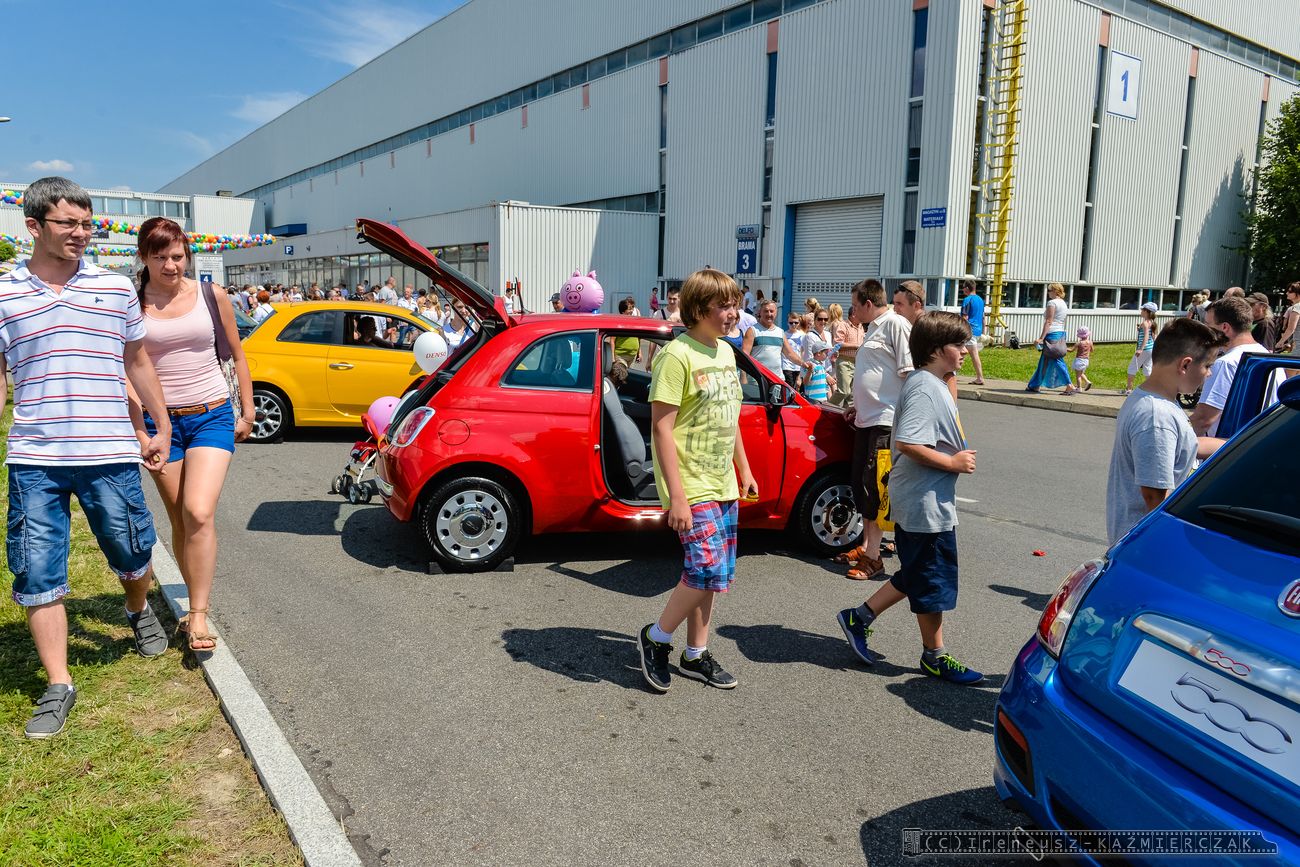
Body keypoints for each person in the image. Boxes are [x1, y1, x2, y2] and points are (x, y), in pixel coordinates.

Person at [1, 177, 172, 739]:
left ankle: (137, 609)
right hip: (35, 457)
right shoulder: (4, 294)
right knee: (35, 567)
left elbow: (137, 361)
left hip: (109, 451)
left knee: (132, 549)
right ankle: (59, 683)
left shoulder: (115, 288)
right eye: (68, 223)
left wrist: (160, 424)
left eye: (86, 223)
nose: (81, 233)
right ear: (34, 226)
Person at [836, 311, 984, 685]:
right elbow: (908, 442)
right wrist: (952, 461)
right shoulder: (923, 388)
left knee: (921, 571)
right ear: (936, 349)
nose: (965, 351)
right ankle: (934, 655)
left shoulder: (933, 383)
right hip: (923, 502)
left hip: (928, 500)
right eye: (959, 344)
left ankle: (859, 618)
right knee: (931, 578)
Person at [131, 217, 254, 654]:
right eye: (160, 257)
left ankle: (198, 614)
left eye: (178, 256)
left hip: (211, 415)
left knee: (199, 512)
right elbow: (127, 372)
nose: (171, 265)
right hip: (159, 426)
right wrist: (141, 433)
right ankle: (193, 596)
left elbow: (237, 354)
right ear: (143, 257)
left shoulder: (209, 294)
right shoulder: (132, 302)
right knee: (180, 518)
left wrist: (248, 409)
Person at [636, 268, 756, 693]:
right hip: (691, 482)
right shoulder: (676, 356)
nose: (733, 313)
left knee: (713, 574)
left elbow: (730, 416)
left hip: (722, 481)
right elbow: (661, 429)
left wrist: (744, 468)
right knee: (705, 566)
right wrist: (678, 497)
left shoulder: (725, 353)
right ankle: (656, 637)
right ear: (700, 309)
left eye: (735, 304)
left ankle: (695, 653)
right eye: (725, 306)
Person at [1106, 318, 1228, 544]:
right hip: (1148, 544)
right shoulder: (1156, 416)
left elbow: (1186, 445)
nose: (1209, 374)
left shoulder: (1157, 400)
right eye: (1208, 365)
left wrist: (1240, 446)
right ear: (1185, 365)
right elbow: (1155, 498)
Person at [839, 279, 911, 581]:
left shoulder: (895, 324)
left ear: (869, 304)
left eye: (855, 306)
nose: (853, 312)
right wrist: (858, 404)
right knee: (862, 484)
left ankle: (874, 558)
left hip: (885, 419)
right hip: (867, 419)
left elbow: (909, 372)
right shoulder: (873, 328)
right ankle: (867, 545)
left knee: (875, 487)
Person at [1189, 296, 1282, 436]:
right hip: (1260, 441)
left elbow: (1203, 420)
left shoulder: (1226, 363)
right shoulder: (1269, 359)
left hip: (1229, 445)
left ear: (1225, 327)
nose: (1206, 331)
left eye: (1208, 325)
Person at [744, 300, 805, 381]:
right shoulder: (752, 331)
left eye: (771, 311)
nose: (769, 314)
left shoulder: (780, 332)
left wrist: (803, 363)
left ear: (776, 313)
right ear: (760, 312)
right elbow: (745, 356)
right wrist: (743, 378)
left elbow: (790, 354)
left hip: (776, 380)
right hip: (757, 380)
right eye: (766, 311)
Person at [1026, 283, 1071, 393]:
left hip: (1052, 334)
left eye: (1050, 290)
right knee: (1044, 361)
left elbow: (1049, 321)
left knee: (1056, 359)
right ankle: (1035, 385)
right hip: (1060, 333)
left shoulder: (1052, 303)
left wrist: (1041, 338)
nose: (1048, 292)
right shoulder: (1063, 303)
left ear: (1055, 291)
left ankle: (1069, 384)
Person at [829, 302, 863, 405]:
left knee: (852, 395)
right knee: (843, 391)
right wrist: (856, 346)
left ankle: (845, 414)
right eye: (860, 313)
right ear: (853, 314)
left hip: (857, 362)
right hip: (845, 361)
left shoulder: (861, 327)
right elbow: (837, 344)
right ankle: (827, 409)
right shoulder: (843, 325)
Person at [1122, 302, 1159, 395]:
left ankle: (1129, 389)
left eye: (1142, 309)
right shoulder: (1152, 323)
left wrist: (1140, 349)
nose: (1141, 311)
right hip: (1150, 349)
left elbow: (1146, 336)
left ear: (1146, 311)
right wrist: (1140, 329)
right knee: (1147, 370)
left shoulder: (1145, 323)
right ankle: (1152, 389)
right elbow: (1154, 336)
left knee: (1132, 368)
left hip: (1144, 350)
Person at [959, 279, 986, 385]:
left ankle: (980, 378)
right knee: (960, 351)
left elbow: (965, 317)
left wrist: (961, 330)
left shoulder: (967, 300)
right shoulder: (980, 300)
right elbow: (983, 317)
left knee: (972, 354)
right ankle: (951, 373)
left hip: (969, 330)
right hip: (977, 331)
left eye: (963, 287)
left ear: (967, 288)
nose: (962, 289)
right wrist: (983, 332)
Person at [611, 297, 642, 367]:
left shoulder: (635, 322)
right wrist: (612, 357)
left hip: (633, 355)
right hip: (620, 356)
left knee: (630, 374)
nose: (632, 311)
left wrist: (639, 352)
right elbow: (612, 340)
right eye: (629, 309)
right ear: (623, 311)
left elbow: (638, 338)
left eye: (632, 309)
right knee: (621, 373)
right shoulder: (617, 323)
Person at [784, 312, 811, 390]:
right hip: (787, 366)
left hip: (799, 366)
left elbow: (803, 352)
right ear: (787, 323)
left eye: (796, 323)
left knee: (800, 389)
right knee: (790, 389)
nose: (793, 325)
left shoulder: (802, 335)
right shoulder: (784, 334)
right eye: (791, 323)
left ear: (799, 323)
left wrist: (802, 365)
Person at [804, 337, 834, 402]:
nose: (827, 355)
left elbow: (825, 386)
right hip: (812, 400)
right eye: (826, 353)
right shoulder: (810, 365)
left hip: (822, 399)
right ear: (819, 353)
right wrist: (809, 371)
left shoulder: (821, 366)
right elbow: (805, 382)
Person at [1278, 282, 1300, 354]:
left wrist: (1280, 342)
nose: (1287, 293)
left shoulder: (1297, 307)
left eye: (1290, 291)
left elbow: (1291, 329)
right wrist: (1289, 342)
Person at [1071, 326, 1094, 392]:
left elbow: (1071, 350)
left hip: (1079, 360)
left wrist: (1065, 348)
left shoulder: (1079, 343)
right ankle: (1087, 382)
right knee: (1081, 373)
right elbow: (1092, 350)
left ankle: (1079, 388)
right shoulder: (1090, 342)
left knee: (1078, 375)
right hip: (1086, 360)